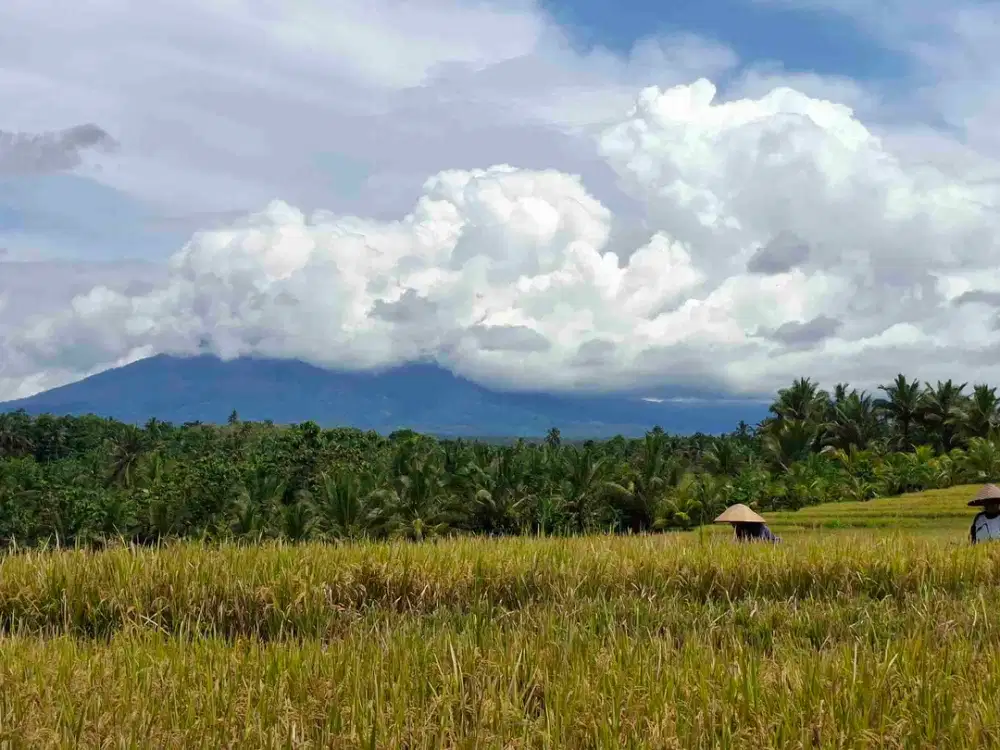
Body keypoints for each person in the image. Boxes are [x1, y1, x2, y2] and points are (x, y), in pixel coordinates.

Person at [714, 504, 781, 544]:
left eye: (734, 523)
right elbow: (738, 539)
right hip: (754, 539)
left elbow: (760, 541)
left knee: (773, 541)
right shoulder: (738, 527)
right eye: (732, 523)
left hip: (766, 536)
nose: (733, 525)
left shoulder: (758, 527)